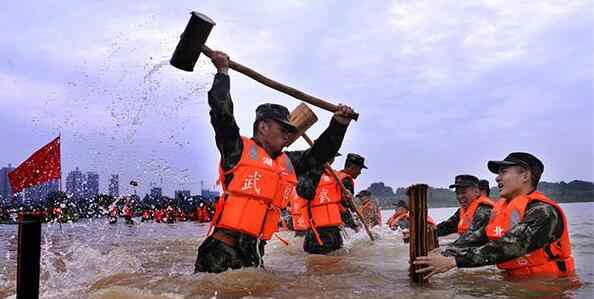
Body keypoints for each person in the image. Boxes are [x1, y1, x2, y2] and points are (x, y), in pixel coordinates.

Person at [194, 50, 354, 273]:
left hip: (254, 253)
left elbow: (319, 154)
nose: (288, 136)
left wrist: (339, 124)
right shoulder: (236, 149)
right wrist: (222, 72)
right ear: (263, 127)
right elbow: (222, 114)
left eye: (291, 131)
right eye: (283, 129)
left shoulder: (287, 163)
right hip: (221, 251)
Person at [414, 153, 575, 279]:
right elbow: (477, 237)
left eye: (503, 172)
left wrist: (454, 262)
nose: (497, 178)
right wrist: (440, 256)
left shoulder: (544, 211)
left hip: (549, 285)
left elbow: (510, 245)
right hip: (514, 280)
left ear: (525, 176)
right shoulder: (501, 210)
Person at [302, 153, 366, 254]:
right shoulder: (344, 180)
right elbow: (343, 206)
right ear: (353, 167)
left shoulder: (326, 177)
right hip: (327, 234)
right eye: (360, 169)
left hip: (313, 231)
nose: (360, 173)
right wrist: (355, 227)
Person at [435, 175, 494, 246]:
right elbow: (447, 226)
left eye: (463, 192)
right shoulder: (462, 211)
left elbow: (471, 238)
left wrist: (446, 251)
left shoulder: (484, 210)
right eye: (457, 193)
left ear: (477, 192)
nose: (460, 196)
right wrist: (428, 232)